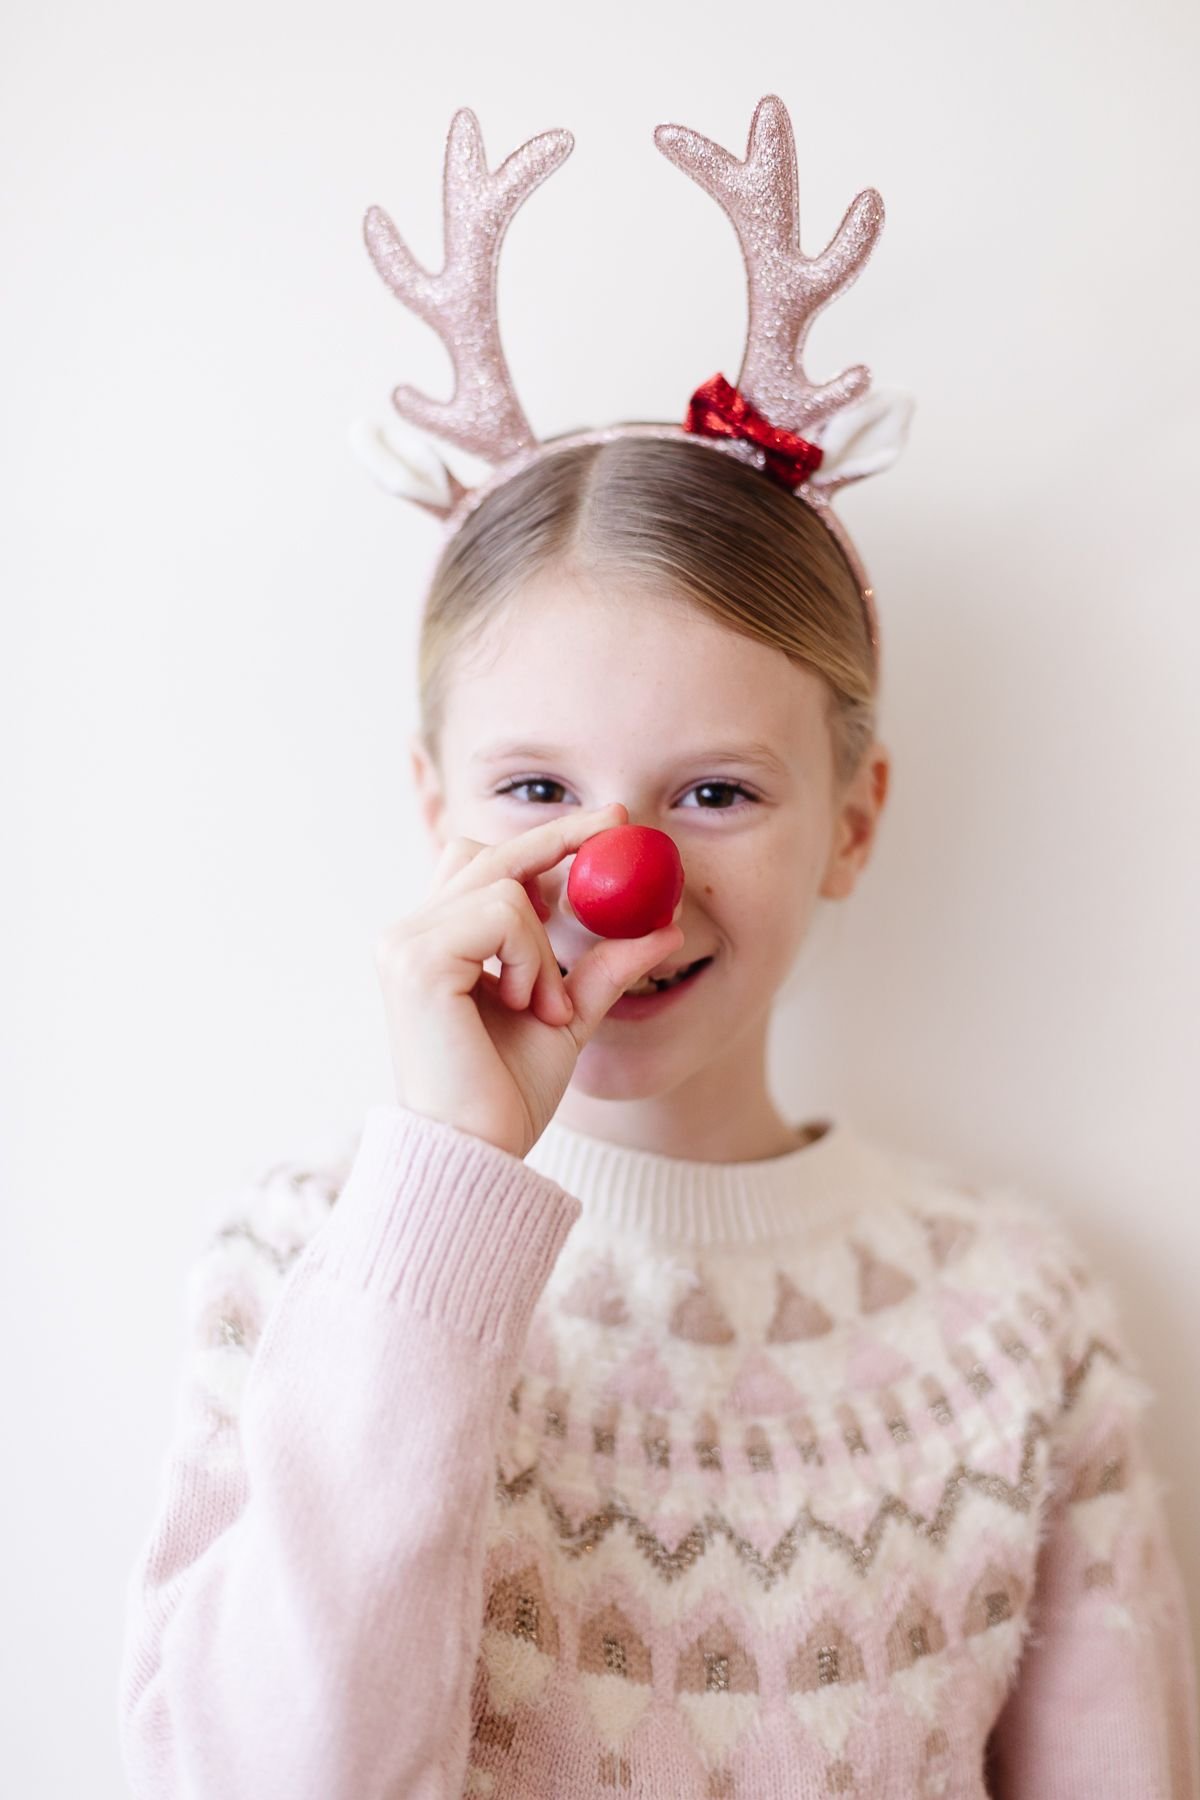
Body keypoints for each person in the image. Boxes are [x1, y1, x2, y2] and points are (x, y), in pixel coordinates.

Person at [118, 98, 1199, 1799]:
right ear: (433, 812)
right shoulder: (303, 1268)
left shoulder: (1015, 1316)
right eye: (538, 787)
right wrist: (447, 1190)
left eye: (714, 790)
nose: (617, 875)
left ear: (853, 820)